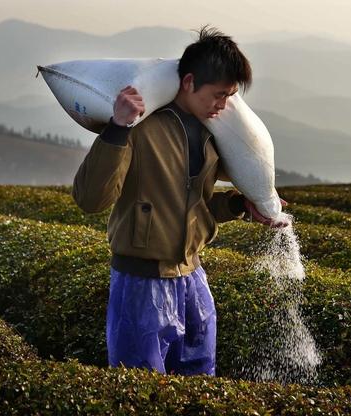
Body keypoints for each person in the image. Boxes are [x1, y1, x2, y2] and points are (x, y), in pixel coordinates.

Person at [71, 25, 288, 376]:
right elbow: (90, 198)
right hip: (141, 281)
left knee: (199, 383)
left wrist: (237, 205)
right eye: (219, 94)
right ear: (188, 82)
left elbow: (195, 207)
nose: (223, 104)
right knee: (141, 387)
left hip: (192, 278)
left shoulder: (210, 135)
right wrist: (118, 128)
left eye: (230, 96)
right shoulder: (142, 129)